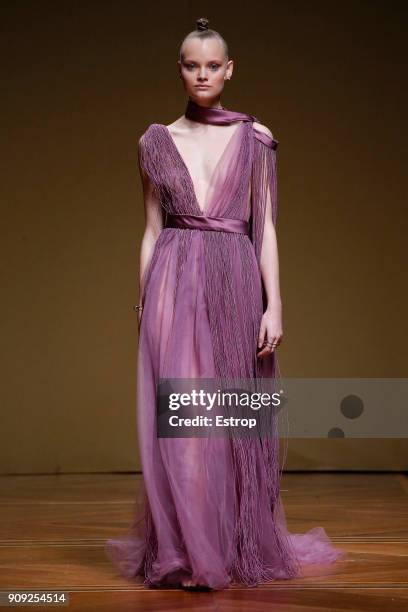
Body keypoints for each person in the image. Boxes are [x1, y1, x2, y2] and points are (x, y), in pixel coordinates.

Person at [105, 16, 346, 591]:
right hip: (171, 280)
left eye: (214, 65)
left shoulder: (255, 138)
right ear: (181, 70)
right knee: (182, 424)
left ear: (230, 69)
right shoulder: (155, 141)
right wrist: (143, 302)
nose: (203, 74)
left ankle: (230, 544)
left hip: (237, 280)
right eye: (193, 64)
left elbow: (265, 227)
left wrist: (276, 305)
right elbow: (150, 229)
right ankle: (187, 552)